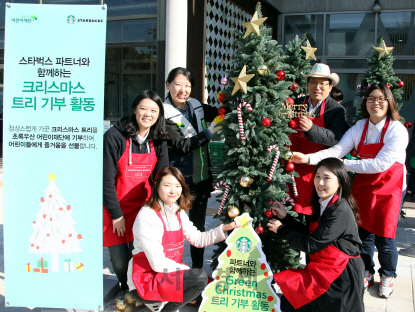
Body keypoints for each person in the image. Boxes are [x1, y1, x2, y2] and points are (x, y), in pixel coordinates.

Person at [291, 83, 408, 298]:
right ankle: (366, 271)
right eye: (371, 98)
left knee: (385, 237)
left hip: (390, 189)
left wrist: (343, 164)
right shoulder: (360, 127)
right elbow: (337, 150)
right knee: (362, 233)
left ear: (389, 102)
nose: (376, 103)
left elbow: (379, 165)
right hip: (364, 186)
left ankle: (388, 275)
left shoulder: (397, 130)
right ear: (365, 102)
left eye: (381, 99)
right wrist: (307, 159)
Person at [126, 166, 239, 312]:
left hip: (168, 276)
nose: (173, 191)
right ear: (156, 186)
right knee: (198, 279)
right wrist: (188, 272)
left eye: (177, 186)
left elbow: (198, 239)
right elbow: (157, 263)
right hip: (147, 279)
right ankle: (167, 308)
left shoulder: (177, 212)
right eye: (167, 185)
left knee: (210, 291)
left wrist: (223, 229)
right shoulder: (147, 215)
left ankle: (169, 300)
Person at [269, 158, 364, 312]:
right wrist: (285, 217)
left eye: (327, 178)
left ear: (340, 182)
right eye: (318, 176)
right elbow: (311, 233)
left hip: (341, 274)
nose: (320, 183)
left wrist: (281, 230)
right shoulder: (322, 202)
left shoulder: (340, 210)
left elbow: (310, 244)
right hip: (324, 267)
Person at [103, 90, 169, 294]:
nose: (148, 114)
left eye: (153, 110)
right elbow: (105, 180)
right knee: (121, 261)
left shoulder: (158, 139)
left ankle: (138, 292)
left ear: (159, 115)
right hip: (116, 208)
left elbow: (162, 178)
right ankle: (124, 286)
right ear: (134, 110)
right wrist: (116, 215)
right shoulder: (115, 136)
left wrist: (163, 209)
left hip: (144, 208)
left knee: (142, 255)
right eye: (143, 108)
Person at [163, 67, 221, 269]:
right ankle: (171, 271)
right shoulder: (164, 112)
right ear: (168, 85)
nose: (182, 90)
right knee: (171, 229)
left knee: (198, 228)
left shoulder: (195, 105)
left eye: (187, 86)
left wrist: (229, 106)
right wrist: (209, 132)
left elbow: (216, 112)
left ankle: (196, 272)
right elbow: (183, 145)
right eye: (178, 84)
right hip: (177, 183)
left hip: (200, 180)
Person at [289, 63, 346, 216]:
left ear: (330, 86)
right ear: (307, 84)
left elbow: (335, 138)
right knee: (290, 210)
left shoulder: (335, 110)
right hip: (293, 168)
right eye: (313, 82)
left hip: (318, 169)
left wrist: (312, 129)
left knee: (313, 212)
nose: (317, 87)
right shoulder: (295, 104)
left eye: (322, 83)